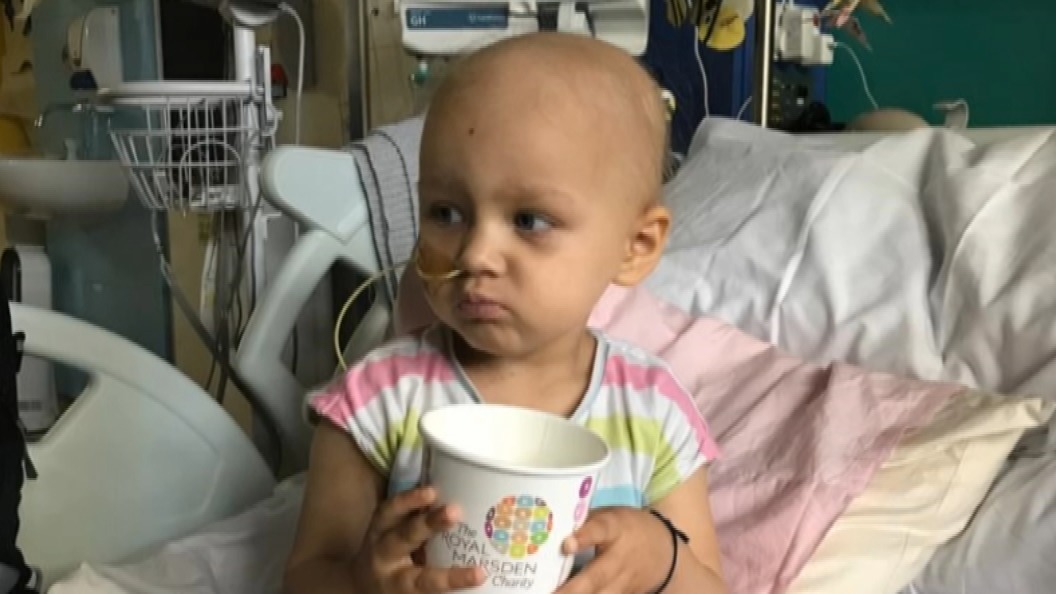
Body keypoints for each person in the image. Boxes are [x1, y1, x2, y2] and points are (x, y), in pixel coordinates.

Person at [284, 32, 728, 594]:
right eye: (446, 212)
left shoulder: (653, 411)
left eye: (529, 221)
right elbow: (305, 578)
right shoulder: (376, 401)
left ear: (634, 247)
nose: (474, 254)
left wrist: (664, 560)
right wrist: (365, 582)